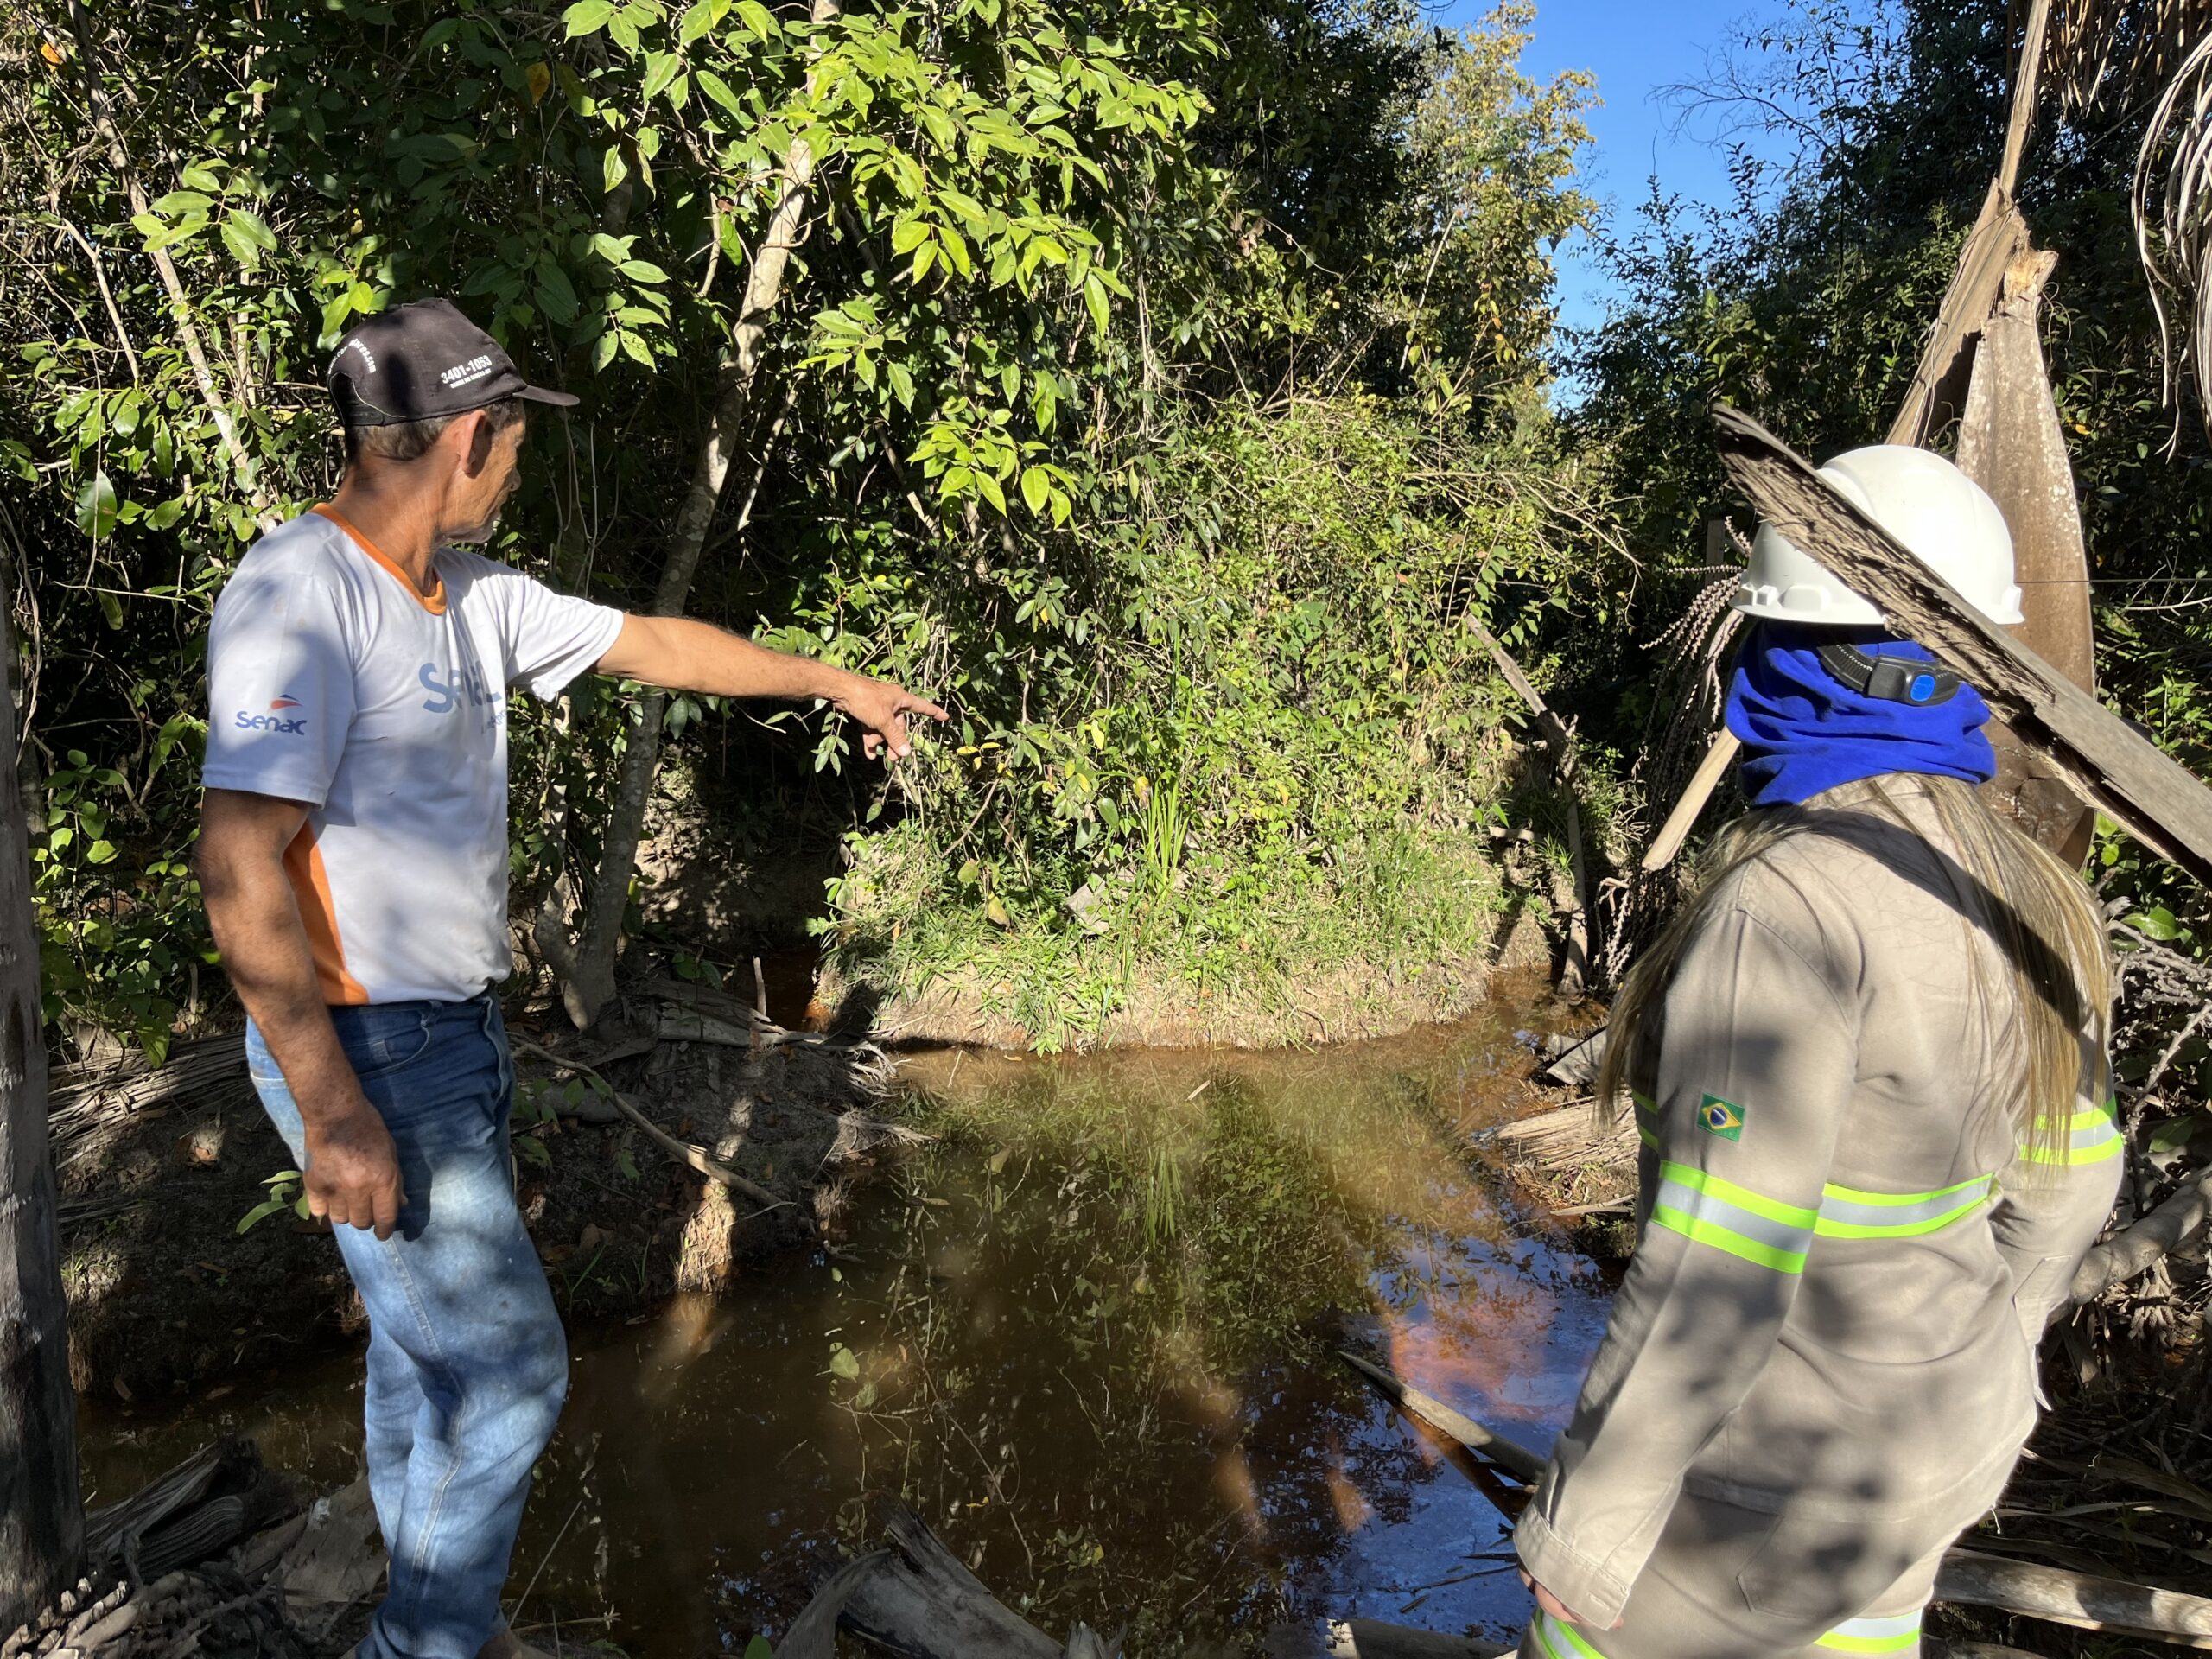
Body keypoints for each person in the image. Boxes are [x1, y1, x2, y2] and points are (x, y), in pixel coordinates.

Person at [194, 297, 947, 1659]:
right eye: (517, 439)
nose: (518, 465)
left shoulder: (471, 595)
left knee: (422, 1358)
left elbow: (656, 646)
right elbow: (240, 859)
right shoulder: (300, 595)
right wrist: (332, 1108)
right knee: (514, 1376)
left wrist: (834, 682)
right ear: (469, 437)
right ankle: (422, 1646)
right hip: (365, 1054)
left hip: (452, 1041)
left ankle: (437, 1621)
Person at [1513, 446, 2121, 1659]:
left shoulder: (1786, 907)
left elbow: (1716, 1266)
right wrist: (1994, 1347)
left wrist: (1584, 1536)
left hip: (1775, 1492)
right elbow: (2073, 1186)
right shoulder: (2040, 891)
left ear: (1790, 655)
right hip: (1947, 1445)